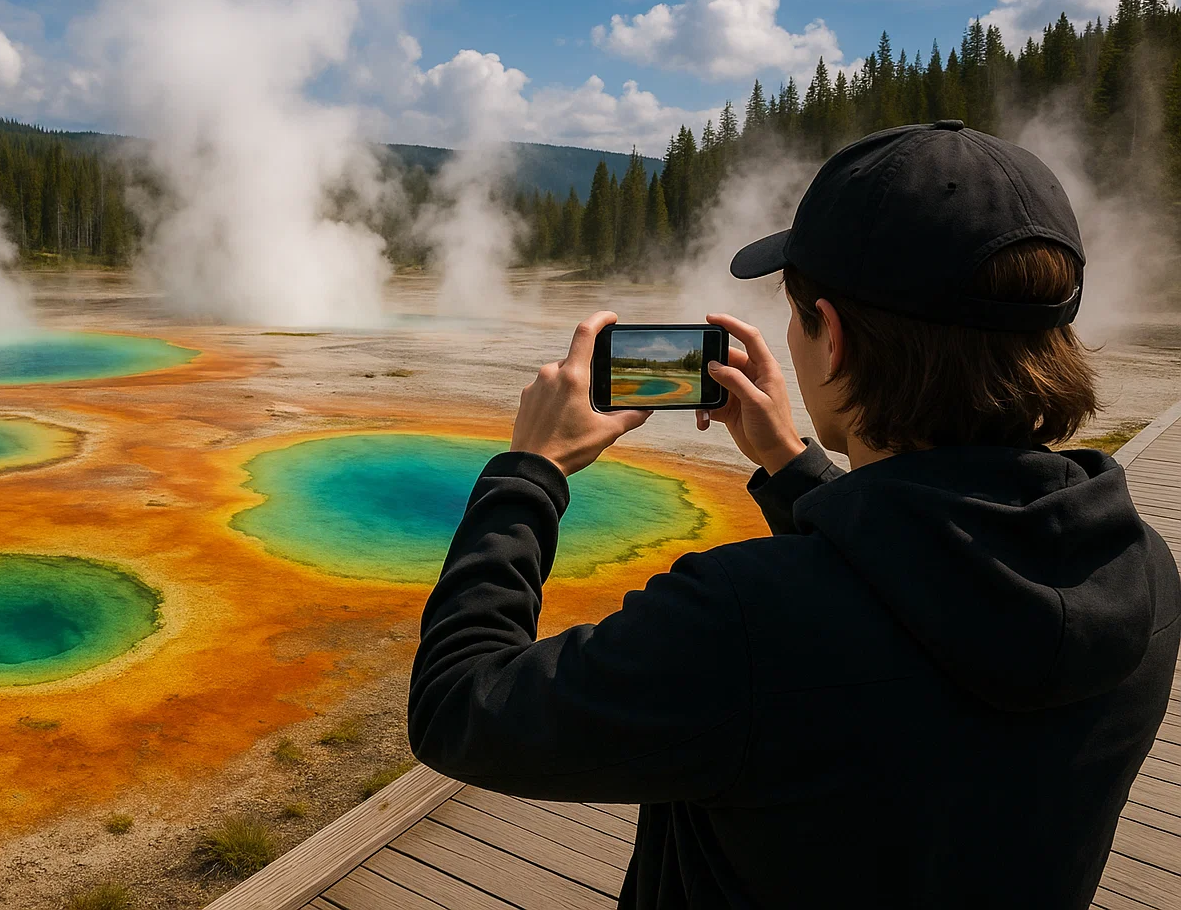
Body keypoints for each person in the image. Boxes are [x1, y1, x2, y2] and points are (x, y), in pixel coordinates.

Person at [406, 121, 1180, 909]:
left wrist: (529, 471)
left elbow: (462, 706)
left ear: (832, 338)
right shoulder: (1139, 570)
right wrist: (792, 465)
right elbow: (926, 593)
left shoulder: (742, 619)